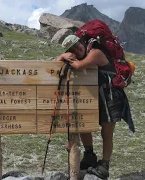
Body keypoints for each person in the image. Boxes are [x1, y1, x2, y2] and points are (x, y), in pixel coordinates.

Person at [55, 35, 134, 179]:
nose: (77, 49)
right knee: (83, 125)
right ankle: (89, 155)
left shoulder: (95, 53)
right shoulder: (83, 56)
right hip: (97, 96)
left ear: (81, 41)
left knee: (106, 132)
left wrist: (68, 57)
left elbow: (78, 66)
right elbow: (56, 66)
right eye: (72, 48)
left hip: (111, 96)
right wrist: (61, 56)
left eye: (77, 44)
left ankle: (104, 165)